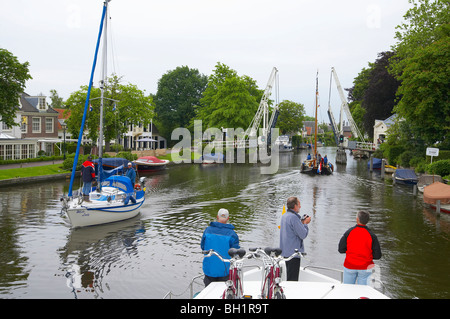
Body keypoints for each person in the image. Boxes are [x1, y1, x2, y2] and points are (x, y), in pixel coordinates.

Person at [338, 210, 382, 285]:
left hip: (350, 265)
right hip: (365, 267)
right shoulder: (372, 235)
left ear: (357, 219)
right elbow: (377, 255)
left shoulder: (349, 232)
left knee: (347, 290)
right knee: (363, 293)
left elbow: (341, 250)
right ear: (367, 221)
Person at [200, 208, 240, 287]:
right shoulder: (232, 234)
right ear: (228, 218)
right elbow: (236, 253)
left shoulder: (207, 230)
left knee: (209, 292)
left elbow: (203, 247)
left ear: (217, 217)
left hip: (209, 270)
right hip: (225, 271)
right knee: (223, 292)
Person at [279, 197, 311, 281]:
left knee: (290, 276)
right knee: (293, 280)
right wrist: (305, 224)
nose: (300, 206)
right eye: (299, 204)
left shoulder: (285, 216)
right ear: (295, 206)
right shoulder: (294, 218)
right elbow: (303, 234)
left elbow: (292, 230)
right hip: (293, 254)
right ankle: (291, 293)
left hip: (286, 252)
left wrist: (301, 222)